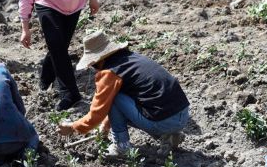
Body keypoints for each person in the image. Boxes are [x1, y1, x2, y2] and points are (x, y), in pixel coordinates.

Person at [58, 31, 191, 156]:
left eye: (93, 64)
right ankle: (169, 135)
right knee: (122, 97)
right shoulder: (131, 59)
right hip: (182, 114)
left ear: (98, 60)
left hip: (164, 121)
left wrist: (73, 127)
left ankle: (121, 146)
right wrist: (105, 125)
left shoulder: (109, 73)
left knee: (114, 98)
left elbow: (96, 114)